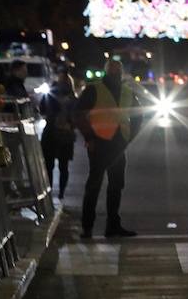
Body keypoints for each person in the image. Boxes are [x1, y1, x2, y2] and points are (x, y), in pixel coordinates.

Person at [74, 58, 141, 239]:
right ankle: (88, 227)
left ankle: (112, 226)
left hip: (117, 144)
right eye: (113, 70)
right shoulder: (94, 90)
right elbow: (79, 114)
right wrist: (89, 137)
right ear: (106, 71)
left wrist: (129, 137)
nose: (115, 73)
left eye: (117, 70)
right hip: (100, 143)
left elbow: (138, 116)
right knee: (95, 186)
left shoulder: (126, 92)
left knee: (115, 186)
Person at [38, 68, 78, 199]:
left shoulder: (51, 93)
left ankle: (50, 191)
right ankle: (60, 193)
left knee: (49, 165)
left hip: (50, 132)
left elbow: (42, 109)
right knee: (63, 166)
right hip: (65, 134)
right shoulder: (73, 98)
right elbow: (78, 116)